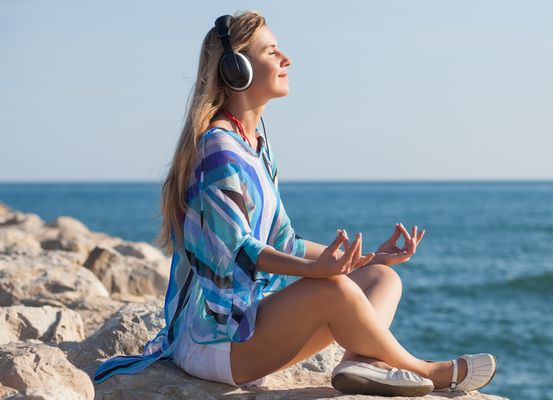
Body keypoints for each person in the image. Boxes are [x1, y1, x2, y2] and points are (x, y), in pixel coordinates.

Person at [94, 10, 497, 397]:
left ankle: (358, 362)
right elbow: (240, 251)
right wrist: (317, 272)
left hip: (245, 329)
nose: (287, 58)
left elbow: (284, 241)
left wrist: (368, 258)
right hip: (211, 341)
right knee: (333, 290)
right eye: (272, 51)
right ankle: (427, 371)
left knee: (382, 279)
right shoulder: (218, 150)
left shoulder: (256, 146)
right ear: (237, 70)